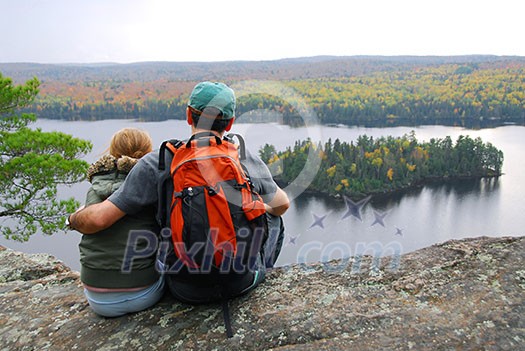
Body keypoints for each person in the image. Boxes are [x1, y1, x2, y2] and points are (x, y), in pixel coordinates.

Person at [67, 82, 290, 303]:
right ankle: (259, 273)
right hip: (240, 283)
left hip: (185, 289)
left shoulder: (160, 161)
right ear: (230, 123)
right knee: (273, 219)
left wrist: (73, 218)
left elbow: (99, 219)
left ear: (188, 116)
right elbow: (282, 205)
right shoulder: (242, 158)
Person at [76, 127, 165, 317]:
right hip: (145, 293)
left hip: (97, 299)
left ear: (112, 152)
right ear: (147, 153)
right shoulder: (150, 184)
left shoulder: (95, 188)